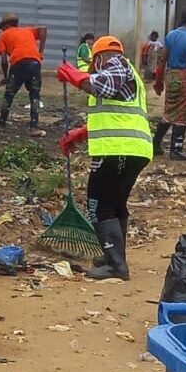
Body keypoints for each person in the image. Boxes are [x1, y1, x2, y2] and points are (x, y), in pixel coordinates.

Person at [56, 36, 153, 281]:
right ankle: (112, 257)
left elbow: (104, 85)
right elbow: (118, 115)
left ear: (99, 57)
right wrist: (81, 134)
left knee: (99, 205)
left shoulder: (116, 64)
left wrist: (75, 76)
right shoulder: (128, 73)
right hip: (133, 149)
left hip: (117, 148)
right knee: (116, 204)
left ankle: (115, 265)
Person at [153, 11, 186, 160]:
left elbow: (162, 59)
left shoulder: (170, 35)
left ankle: (155, 143)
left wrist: (159, 81)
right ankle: (176, 148)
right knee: (183, 112)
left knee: (169, 111)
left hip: (171, 75)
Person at [0, 12, 47, 135]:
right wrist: (41, 51)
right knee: (34, 95)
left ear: (5, 26)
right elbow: (43, 29)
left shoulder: (3, 36)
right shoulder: (27, 30)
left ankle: (1, 123)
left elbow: (3, 61)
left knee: (9, 94)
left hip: (18, 64)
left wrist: (5, 77)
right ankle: (34, 128)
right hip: (35, 63)